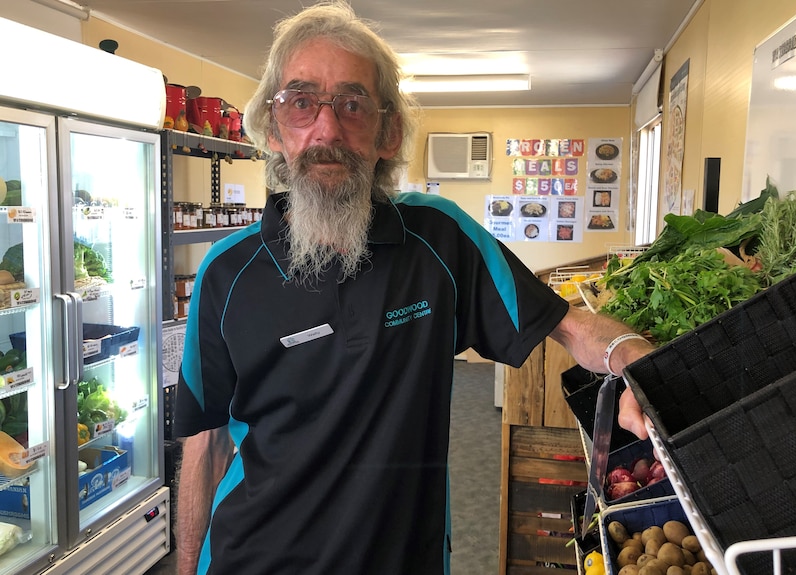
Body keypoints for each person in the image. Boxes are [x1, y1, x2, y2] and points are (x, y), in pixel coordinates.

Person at [173, 2, 653, 574]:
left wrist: (635, 362)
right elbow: (204, 444)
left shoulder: (440, 240)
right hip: (250, 557)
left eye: (353, 105)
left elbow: (574, 329)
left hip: (404, 556)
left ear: (387, 131)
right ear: (274, 130)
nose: (326, 130)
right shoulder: (226, 272)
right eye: (301, 103)